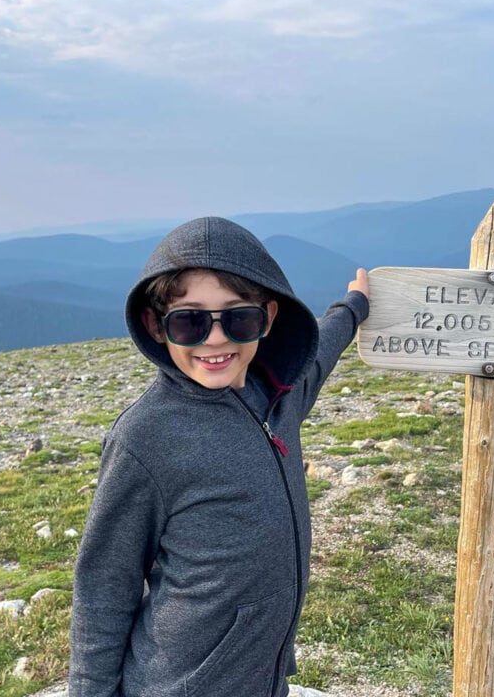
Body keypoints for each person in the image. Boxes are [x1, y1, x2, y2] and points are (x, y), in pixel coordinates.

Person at [69, 216, 369, 697]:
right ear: (155, 325)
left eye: (239, 318)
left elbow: (319, 356)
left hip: (261, 680)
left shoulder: (276, 394)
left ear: (268, 318)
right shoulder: (146, 437)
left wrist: (354, 306)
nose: (215, 339)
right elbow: (104, 587)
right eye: (188, 321)